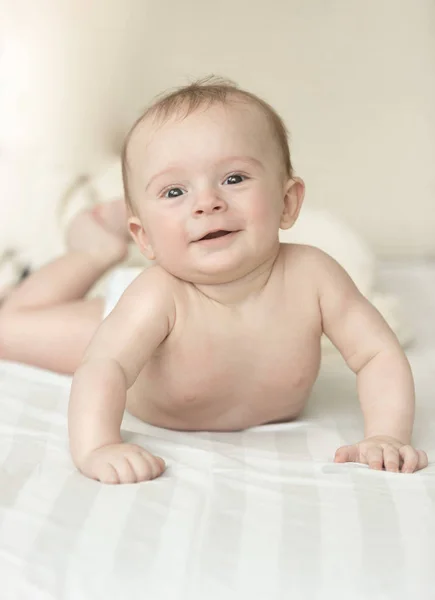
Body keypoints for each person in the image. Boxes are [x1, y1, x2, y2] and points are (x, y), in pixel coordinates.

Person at [0, 77, 428, 484]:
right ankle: (95, 250)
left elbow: (377, 353)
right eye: (174, 192)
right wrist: (97, 447)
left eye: (234, 179)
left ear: (287, 202)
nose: (207, 202)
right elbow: (102, 366)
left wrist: (387, 434)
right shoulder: (156, 295)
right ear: (145, 237)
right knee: (9, 328)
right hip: (121, 321)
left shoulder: (314, 276)